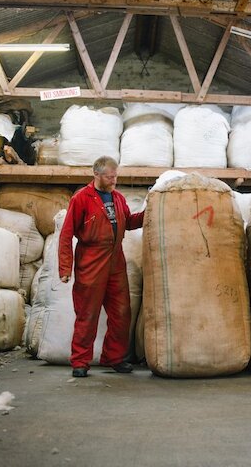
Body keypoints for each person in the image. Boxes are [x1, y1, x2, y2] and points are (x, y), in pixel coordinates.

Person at [58, 156, 144, 378]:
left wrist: (148, 214)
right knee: (87, 314)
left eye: (116, 176)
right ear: (96, 174)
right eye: (110, 176)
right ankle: (80, 361)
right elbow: (66, 234)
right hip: (91, 262)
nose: (114, 180)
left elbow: (129, 221)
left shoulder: (118, 198)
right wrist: (65, 267)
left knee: (121, 312)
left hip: (116, 261)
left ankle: (114, 357)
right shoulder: (81, 199)